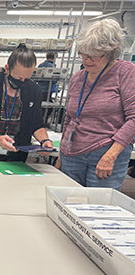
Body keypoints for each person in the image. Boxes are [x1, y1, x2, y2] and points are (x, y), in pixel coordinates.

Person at [57, 18, 135, 190]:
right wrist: (62, 154)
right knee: (70, 204)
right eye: (83, 54)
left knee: (99, 209)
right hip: (72, 154)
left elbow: (133, 119)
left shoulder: (125, 72)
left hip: (105, 153)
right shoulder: (78, 77)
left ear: (110, 52)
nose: (86, 60)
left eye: (93, 55)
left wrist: (111, 155)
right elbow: (69, 118)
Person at [0, 44, 53, 162]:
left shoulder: (33, 91)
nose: (22, 82)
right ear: (7, 69)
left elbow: (36, 124)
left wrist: (45, 141)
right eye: (18, 78)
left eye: (26, 79)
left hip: (16, 156)